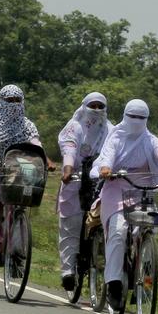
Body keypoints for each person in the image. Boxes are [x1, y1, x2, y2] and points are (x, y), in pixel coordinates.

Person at [95, 100, 158, 310]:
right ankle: (114, 284)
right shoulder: (116, 138)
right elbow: (107, 156)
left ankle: (145, 282)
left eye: (141, 118)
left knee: (149, 233)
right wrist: (106, 169)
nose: (136, 122)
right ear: (126, 116)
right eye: (133, 117)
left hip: (146, 193)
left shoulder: (150, 140)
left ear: (146, 120)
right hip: (118, 190)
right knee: (118, 232)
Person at [0, 85, 50, 249]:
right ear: (1, 102)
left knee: (18, 208)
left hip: (16, 172)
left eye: (17, 100)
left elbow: (35, 144)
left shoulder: (27, 126)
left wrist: (45, 158)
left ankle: (17, 255)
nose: (13, 104)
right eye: (9, 100)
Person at [56, 92, 114, 290]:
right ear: (84, 106)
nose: (96, 110)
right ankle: (67, 271)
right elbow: (69, 147)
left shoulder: (110, 130)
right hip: (76, 177)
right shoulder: (75, 126)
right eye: (93, 105)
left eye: (100, 106)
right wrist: (68, 168)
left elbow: (114, 151)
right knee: (70, 224)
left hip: (99, 180)